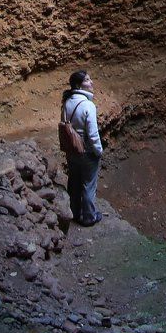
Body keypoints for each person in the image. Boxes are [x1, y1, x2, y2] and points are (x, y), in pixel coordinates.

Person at [62, 70, 103, 226]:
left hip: (72, 149)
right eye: (87, 80)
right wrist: (98, 151)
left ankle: (74, 211)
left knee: (74, 182)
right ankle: (88, 217)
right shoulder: (88, 105)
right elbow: (93, 134)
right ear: (79, 85)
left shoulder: (67, 102)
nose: (91, 82)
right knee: (88, 185)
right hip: (86, 151)